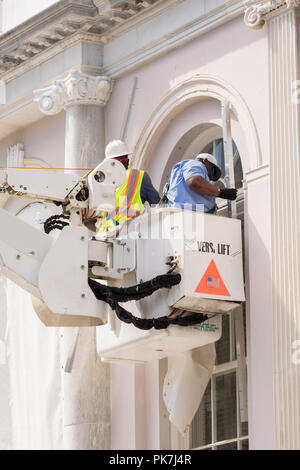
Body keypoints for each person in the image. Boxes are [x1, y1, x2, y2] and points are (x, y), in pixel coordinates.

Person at [85, 140, 160, 232]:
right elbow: (156, 202)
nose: (128, 160)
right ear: (124, 160)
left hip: (106, 235)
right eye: (126, 157)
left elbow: (89, 221)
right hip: (129, 231)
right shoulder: (138, 176)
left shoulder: (102, 182)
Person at [166, 153, 237, 214]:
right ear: (205, 160)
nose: (209, 178)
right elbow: (194, 182)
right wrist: (220, 193)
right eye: (212, 171)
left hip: (187, 214)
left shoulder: (183, 171)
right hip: (188, 215)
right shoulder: (195, 164)